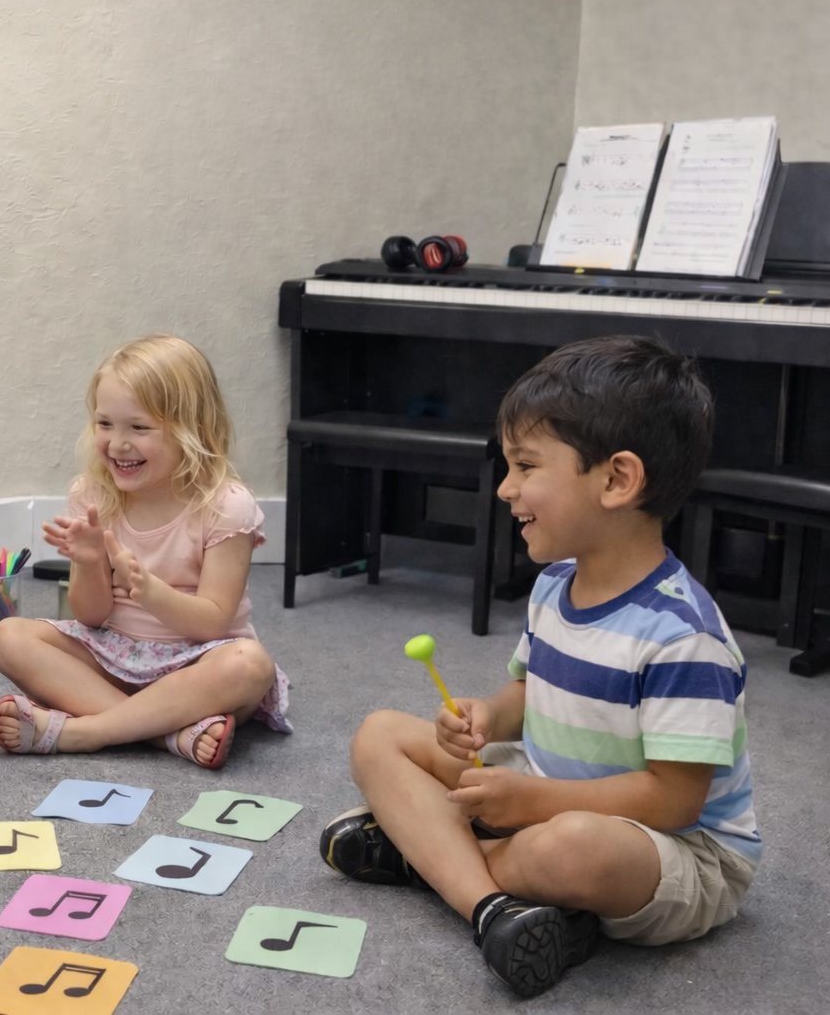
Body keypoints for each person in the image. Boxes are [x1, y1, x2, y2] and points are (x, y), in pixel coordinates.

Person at [319, 336, 761, 998]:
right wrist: (488, 715)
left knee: (572, 848)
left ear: (617, 480)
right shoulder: (555, 584)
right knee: (379, 734)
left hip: (679, 848)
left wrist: (535, 802)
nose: (505, 488)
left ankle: (427, 860)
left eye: (526, 466)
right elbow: (530, 689)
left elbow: (674, 799)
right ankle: (496, 902)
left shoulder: (683, 637)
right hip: (547, 786)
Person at [0, 335, 292, 768]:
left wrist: (149, 591)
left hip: (196, 668)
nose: (117, 444)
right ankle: (167, 735)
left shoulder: (226, 505)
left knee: (250, 666)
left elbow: (213, 622)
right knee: (8, 638)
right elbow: (90, 617)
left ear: (193, 430)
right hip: (114, 656)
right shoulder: (92, 494)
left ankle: (82, 732)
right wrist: (91, 564)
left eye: (139, 428)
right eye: (105, 424)